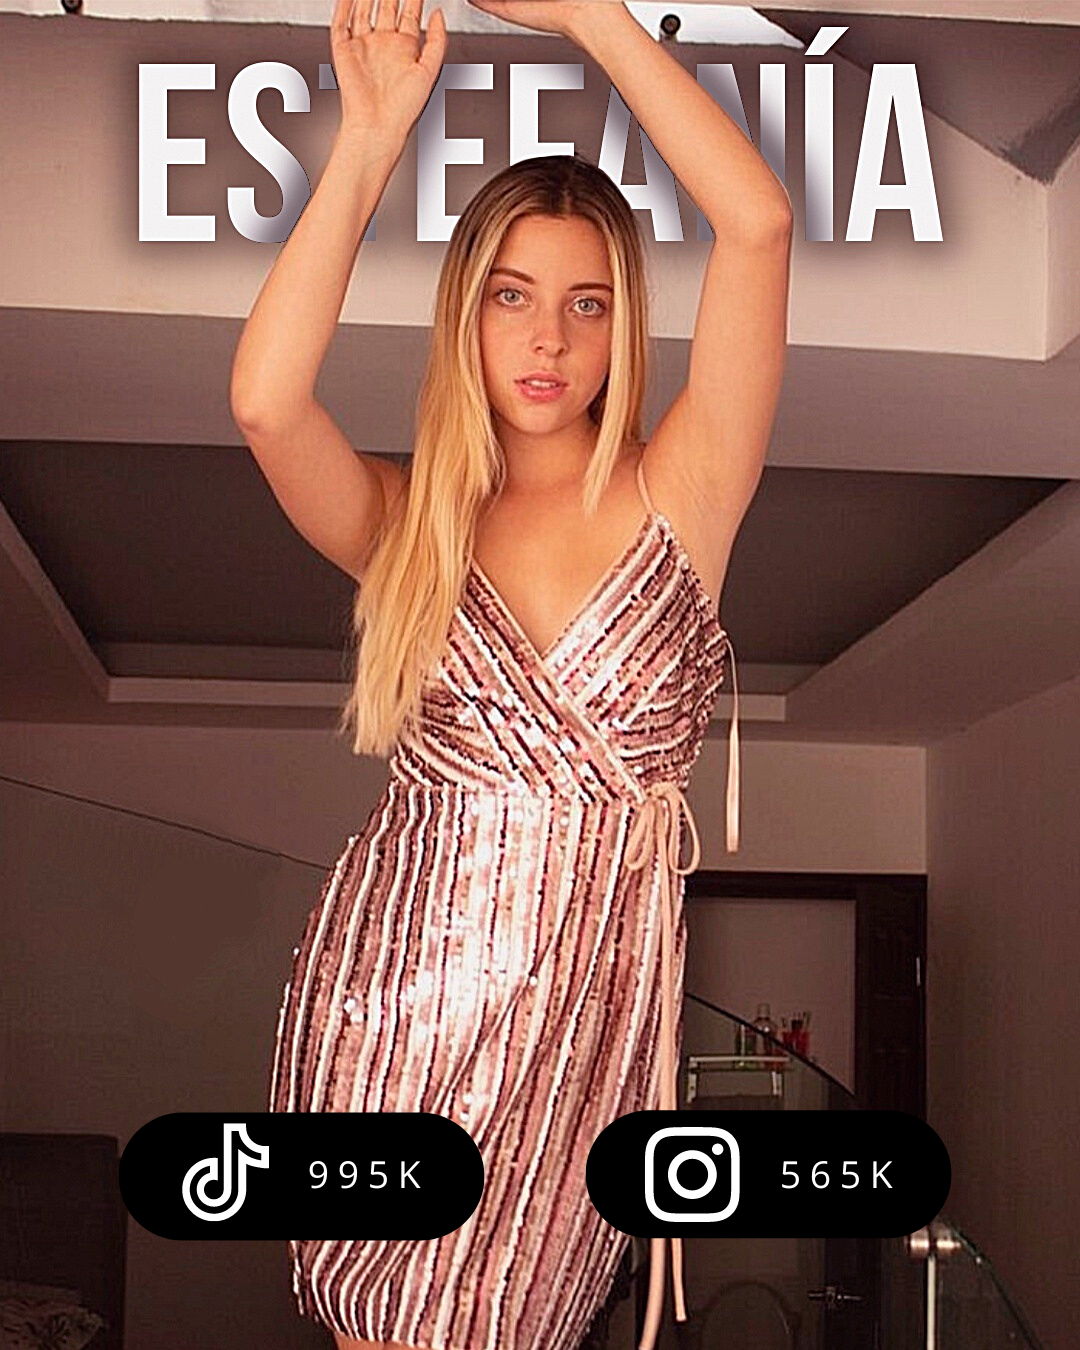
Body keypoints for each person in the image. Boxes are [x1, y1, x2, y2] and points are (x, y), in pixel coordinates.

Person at [230, 0, 791, 1346]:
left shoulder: (684, 492)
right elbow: (263, 402)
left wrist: (593, 14)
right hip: (396, 992)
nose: (549, 341)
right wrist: (371, 137)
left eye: (587, 304)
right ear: (466, 315)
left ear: (623, 325)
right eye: (513, 296)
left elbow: (759, 224)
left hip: (589, 1013)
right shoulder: (406, 522)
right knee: (375, 1314)